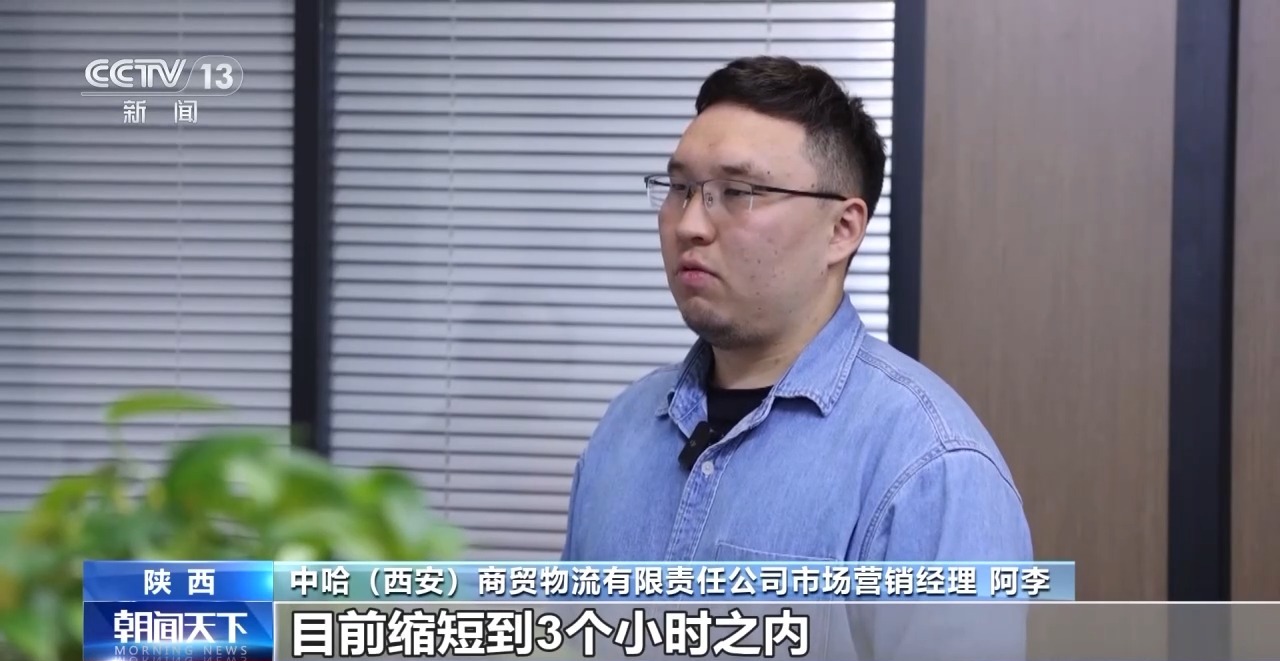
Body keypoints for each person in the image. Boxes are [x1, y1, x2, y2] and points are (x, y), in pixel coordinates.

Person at [561, 55, 1033, 566]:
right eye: (680, 189)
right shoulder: (625, 427)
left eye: (736, 192)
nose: (690, 224)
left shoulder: (930, 465)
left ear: (841, 230)